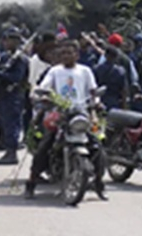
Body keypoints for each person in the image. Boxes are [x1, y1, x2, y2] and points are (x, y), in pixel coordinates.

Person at [26, 39, 104, 199]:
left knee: (97, 147)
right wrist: (40, 93)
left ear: (77, 55)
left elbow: (93, 91)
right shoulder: (55, 71)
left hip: (80, 113)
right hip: (59, 113)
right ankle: (31, 182)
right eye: (63, 53)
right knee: (45, 145)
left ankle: (99, 183)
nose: (66, 56)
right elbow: (44, 86)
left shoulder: (85, 71)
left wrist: (96, 103)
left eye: (69, 53)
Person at [0, 28, 29, 165]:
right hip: (2, 95)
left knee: (12, 125)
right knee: (5, 124)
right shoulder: (5, 57)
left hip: (13, 96)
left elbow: (17, 77)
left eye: (9, 40)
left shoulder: (20, 59)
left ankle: (11, 153)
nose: (6, 43)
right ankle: (7, 150)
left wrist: (0, 75)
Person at [93, 46, 127, 111]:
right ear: (116, 57)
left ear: (105, 55)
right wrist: (124, 107)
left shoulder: (96, 69)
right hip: (114, 101)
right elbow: (123, 91)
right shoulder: (120, 71)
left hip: (99, 101)